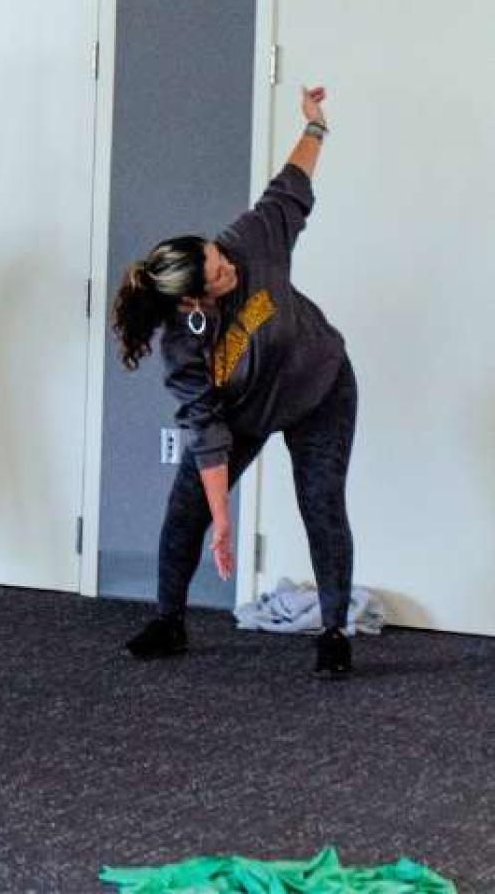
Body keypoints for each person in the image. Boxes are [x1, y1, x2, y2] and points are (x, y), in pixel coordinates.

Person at [111, 86, 356, 675]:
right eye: (219, 273)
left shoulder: (249, 240)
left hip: (318, 387)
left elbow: (290, 184)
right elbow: (206, 428)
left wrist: (316, 127)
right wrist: (224, 519)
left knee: (320, 501)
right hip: (243, 413)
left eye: (217, 254)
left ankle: (333, 632)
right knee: (186, 508)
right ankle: (170, 621)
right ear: (194, 298)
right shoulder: (182, 345)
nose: (229, 265)